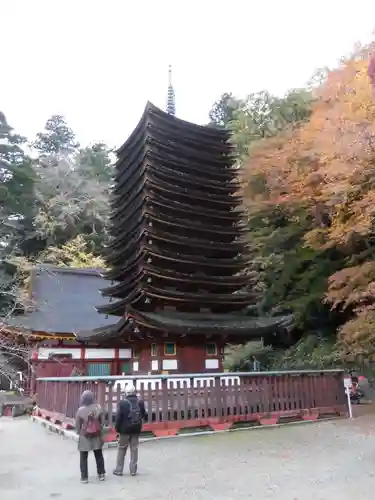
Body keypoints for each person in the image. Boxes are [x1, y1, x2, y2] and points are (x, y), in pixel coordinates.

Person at [113, 383, 146, 477]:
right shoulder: (140, 402)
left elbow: (118, 418)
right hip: (136, 429)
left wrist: (118, 429)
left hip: (124, 430)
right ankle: (133, 470)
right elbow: (143, 414)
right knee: (134, 449)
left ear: (126, 393)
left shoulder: (122, 403)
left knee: (122, 448)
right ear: (134, 391)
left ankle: (119, 470)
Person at [75, 390, 106, 483]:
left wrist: (79, 432)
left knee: (83, 457)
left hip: (85, 436)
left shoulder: (80, 410)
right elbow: (102, 423)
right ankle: (101, 474)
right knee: (99, 455)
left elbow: (77, 426)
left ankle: (84, 477)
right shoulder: (98, 408)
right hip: (96, 435)